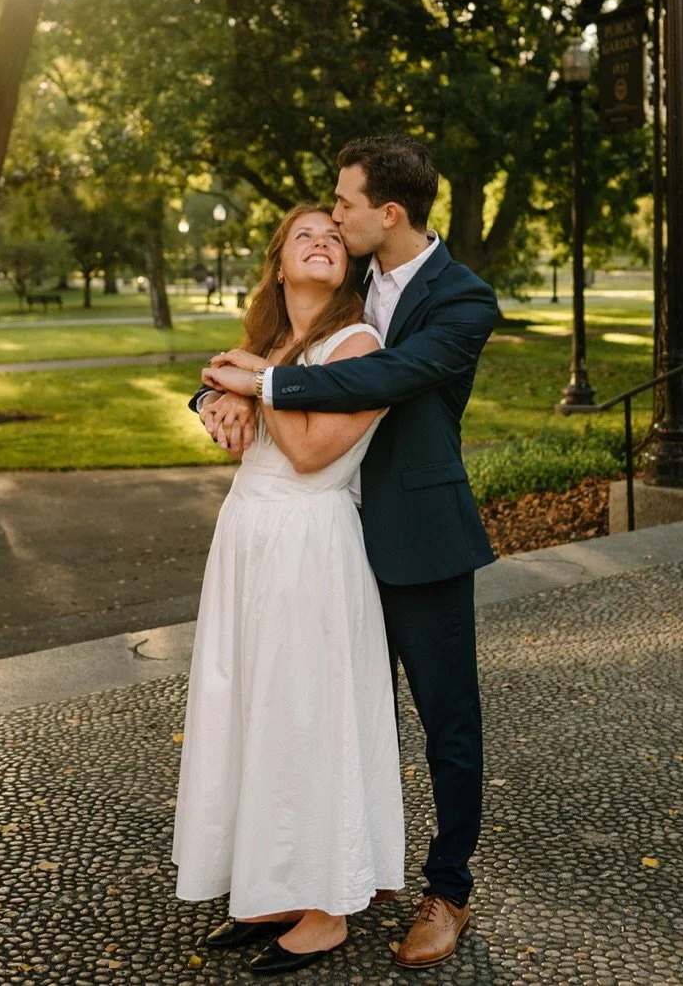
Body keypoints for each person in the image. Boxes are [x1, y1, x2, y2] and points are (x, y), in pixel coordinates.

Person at [197, 135, 499, 971]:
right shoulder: (350, 276)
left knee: (448, 724)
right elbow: (283, 329)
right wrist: (212, 392)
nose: (331, 216)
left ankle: (450, 892)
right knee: (322, 716)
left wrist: (256, 383)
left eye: (345, 204)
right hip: (321, 540)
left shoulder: (466, 302)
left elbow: (374, 379)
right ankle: (328, 874)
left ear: (387, 212)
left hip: (416, 536)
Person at [172, 203, 405, 976]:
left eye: (335, 236)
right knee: (250, 710)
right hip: (247, 539)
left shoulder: (360, 344)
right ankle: (271, 888)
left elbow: (308, 453)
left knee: (308, 713)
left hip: (311, 544)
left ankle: (328, 903)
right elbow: (221, 378)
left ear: (349, 266)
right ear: (278, 264)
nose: (321, 241)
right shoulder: (270, 345)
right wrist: (219, 395)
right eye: (304, 234)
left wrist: (250, 383)